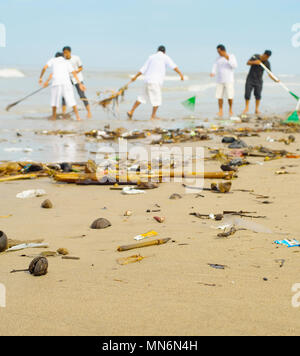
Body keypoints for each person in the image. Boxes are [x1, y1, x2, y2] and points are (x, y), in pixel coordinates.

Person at [127, 45, 184, 120]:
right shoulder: (165, 57)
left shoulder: (151, 57)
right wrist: (181, 74)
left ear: (157, 50)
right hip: (155, 82)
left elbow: (143, 69)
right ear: (164, 52)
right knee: (157, 99)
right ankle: (153, 116)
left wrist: (135, 77)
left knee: (141, 97)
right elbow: (174, 67)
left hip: (147, 80)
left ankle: (131, 111)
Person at [39, 52, 86, 121]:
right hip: (66, 83)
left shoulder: (53, 60)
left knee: (54, 101)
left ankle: (54, 117)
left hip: (56, 83)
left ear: (55, 57)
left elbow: (44, 68)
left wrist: (41, 78)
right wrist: (80, 84)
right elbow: (73, 73)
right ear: (62, 56)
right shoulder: (66, 62)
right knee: (72, 100)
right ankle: (78, 117)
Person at [243, 50, 278, 115]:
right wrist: (255, 62)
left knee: (258, 95)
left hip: (259, 81)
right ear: (264, 54)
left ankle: (256, 109)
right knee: (247, 94)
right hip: (250, 79)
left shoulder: (267, 63)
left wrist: (275, 79)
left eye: (268, 57)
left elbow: (269, 73)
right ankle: (246, 108)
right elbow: (248, 63)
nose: (266, 58)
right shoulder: (256, 56)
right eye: (266, 56)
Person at [62, 46, 92, 118]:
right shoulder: (63, 60)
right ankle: (63, 113)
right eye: (64, 53)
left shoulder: (76, 58)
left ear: (70, 52)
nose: (65, 54)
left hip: (78, 78)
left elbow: (81, 67)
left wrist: (76, 71)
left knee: (82, 95)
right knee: (64, 96)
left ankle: (89, 112)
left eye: (66, 52)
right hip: (68, 79)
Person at [210, 44, 238, 117]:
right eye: (217, 52)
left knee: (230, 96)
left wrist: (227, 58)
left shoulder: (231, 56)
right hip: (219, 80)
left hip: (229, 80)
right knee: (219, 96)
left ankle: (230, 109)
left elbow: (234, 66)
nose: (218, 53)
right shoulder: (218, 59)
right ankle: (220, 110)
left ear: (223, 50)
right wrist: (213, 72)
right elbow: (214, 66)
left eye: (219, 51)